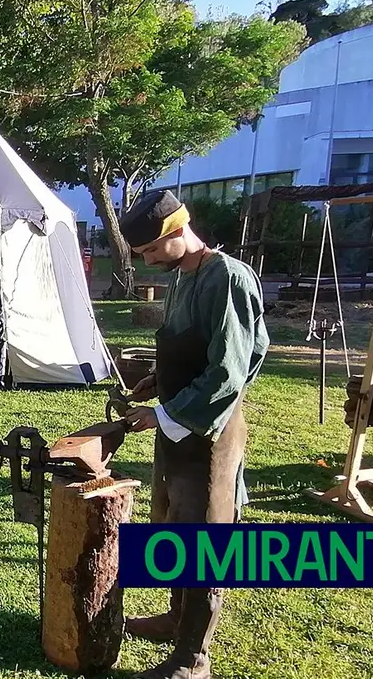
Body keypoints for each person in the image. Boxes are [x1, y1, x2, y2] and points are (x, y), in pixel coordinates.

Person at [117, 190, 268, 679]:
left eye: (152, 251)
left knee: (204, 536)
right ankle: (175, 617)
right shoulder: (184, 277)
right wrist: (159, 380)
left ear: (178, 231)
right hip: (178, 425)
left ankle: (192, 660)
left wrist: (162, 416)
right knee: (176, 524)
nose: (148, 261)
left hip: (211, 430)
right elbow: (191, 348)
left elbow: (228, 368)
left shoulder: (228, 277)